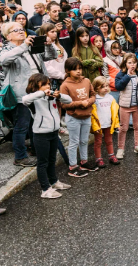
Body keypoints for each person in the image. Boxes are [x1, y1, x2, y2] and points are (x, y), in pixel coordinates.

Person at [0, 22, 58, 167]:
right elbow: (5, 60)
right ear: (8, 36)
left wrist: (49, 44)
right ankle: (20, 157)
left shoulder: (31, 45)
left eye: (22, 29)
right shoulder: (7, 49)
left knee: (35, 123)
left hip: (38, 91)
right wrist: (24, 46)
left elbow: (51, 56)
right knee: (22, 125)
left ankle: (35, 149)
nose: (21, 31)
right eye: (16, 30)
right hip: (21, 94)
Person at [22, 73, 73, 199]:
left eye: (48, 84)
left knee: (52, 160)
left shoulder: (51, 98)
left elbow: (69, 100)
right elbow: (25, 100)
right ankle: (45, 189)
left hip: (53, 132)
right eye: (43, 84)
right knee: (42, 162)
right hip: (41, 135)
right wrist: (42, 93)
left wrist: (58, 95)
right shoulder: (33, 99)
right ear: (35, 87)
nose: (47, 86)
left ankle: (54, 182)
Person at [60, 57, 97, 177]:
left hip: (86, 115)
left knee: (84, 140)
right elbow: (63, 104)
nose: (78, 71)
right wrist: (80, 103)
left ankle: (84, 161)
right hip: (73, 117)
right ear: (68, 70)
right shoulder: (65, 85)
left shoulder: (86, 81)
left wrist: (89, 101)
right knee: (74, 141)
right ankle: (72, 166)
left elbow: (93, 94)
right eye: (75, 69)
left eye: (80, 69)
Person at [114, 53, 138, 157]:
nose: (132, 65)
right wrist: (128, 76)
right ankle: (120, 149)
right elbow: (118, 86)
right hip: (125, 106)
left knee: (137, 126)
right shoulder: (121, 75)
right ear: (125, 64)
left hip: (137, 106)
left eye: (134, 63)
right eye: (129, 63)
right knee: (123, 128)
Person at [90, 76, 120, 168]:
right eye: (102, 86)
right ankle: (98, 158)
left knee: (109, 141)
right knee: (98, 142)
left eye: (107, 86)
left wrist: (116, 123)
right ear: (96, 88)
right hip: (99, 125)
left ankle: (111, 156)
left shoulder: (110, 98)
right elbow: (92, 114)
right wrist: (95, 126)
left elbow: (115, 112)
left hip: (108, 124)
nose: (106, 88)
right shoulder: (95, 99)